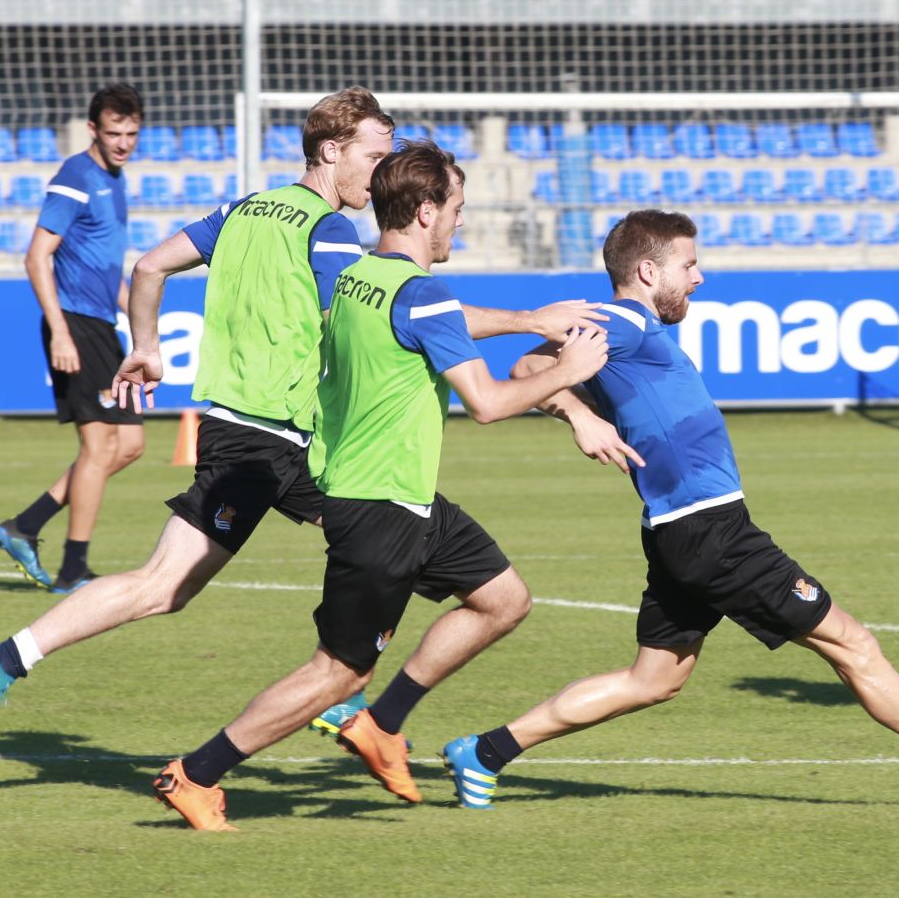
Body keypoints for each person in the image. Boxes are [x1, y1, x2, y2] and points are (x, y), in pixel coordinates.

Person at [438, 209, 899, 812]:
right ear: (651, 272)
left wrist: (578, 410)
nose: (700, 277)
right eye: (689, 264)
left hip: (679, 530)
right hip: (710, 531)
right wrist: (579, 416)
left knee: (652, 680)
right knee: (853, 644)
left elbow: (534, 366)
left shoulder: (635, 332)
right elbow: (528, 358)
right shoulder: (623, 320)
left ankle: (485, 752)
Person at [149, 141, 612, 831]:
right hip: (379, 508)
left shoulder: (360, 279)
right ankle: (195, 773)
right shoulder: (422, 295)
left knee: (503, 599)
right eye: (456, 209)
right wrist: (568, 370)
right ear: (426, 212)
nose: (460, 223)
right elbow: (485, 403)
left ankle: (383, 723)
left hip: (405, 496)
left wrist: (523, 323)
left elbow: (432, 326)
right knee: (336, 673)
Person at [0, 84, 146, 594]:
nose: (123, 142)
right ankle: (73, 568)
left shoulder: (114, 179)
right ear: (93, 131)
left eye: (131, 133)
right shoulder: (75, 177)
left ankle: (25, 526)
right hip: (75, 324)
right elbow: (37, 256)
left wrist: (145, 321)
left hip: (99, 323)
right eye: (114, 133)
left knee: (128, 445)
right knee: (101, 445)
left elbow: (109, 272)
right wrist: (60, 332)